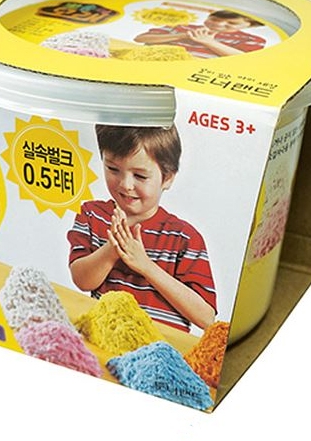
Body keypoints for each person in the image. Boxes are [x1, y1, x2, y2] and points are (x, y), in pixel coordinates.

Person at [67, 124, 216, 333]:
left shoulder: (184, 237)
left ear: (168, 178)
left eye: (140, 176)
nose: (125, 184)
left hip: (164, 345)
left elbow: (206, 318)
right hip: (105, 338)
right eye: (113, 169)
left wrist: (145, 265)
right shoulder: (93, 215)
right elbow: (82, 281)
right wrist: (113, 249)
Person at [134, 9, 266, 58]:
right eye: (214, 19)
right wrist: (184, 35)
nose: (219, 25)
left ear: (250, 25)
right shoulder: (182, 27)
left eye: (231, 23)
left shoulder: (251, 39)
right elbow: (140, 39)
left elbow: (242, 58)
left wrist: (208, 42)